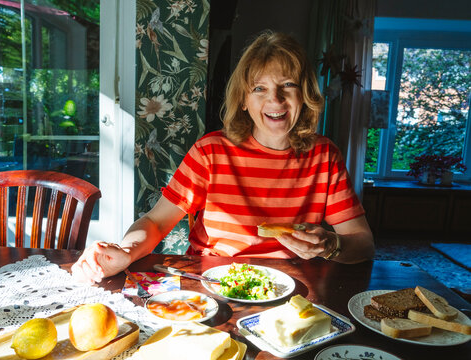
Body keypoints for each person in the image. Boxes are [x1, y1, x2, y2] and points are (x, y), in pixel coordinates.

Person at [72, 31, 374, 284]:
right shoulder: (210, 151)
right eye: (260, 88)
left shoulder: (324, 156)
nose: (275, 100)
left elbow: (362, 243)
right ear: (243, 100)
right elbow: (155, 221)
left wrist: (331, 245)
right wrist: (125, 251)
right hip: (212, 286)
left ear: (304, 93)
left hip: (293, 288)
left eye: (288, 85)